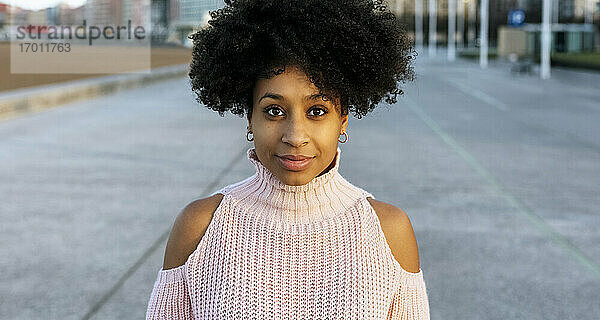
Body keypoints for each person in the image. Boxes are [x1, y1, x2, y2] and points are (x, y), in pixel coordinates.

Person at [146, 0, 430, 318]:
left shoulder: (388, 232)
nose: (295, 136)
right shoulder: (199, 227)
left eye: (317, 111)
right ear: (249, 119)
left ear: (344, 120)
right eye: (274, 111)